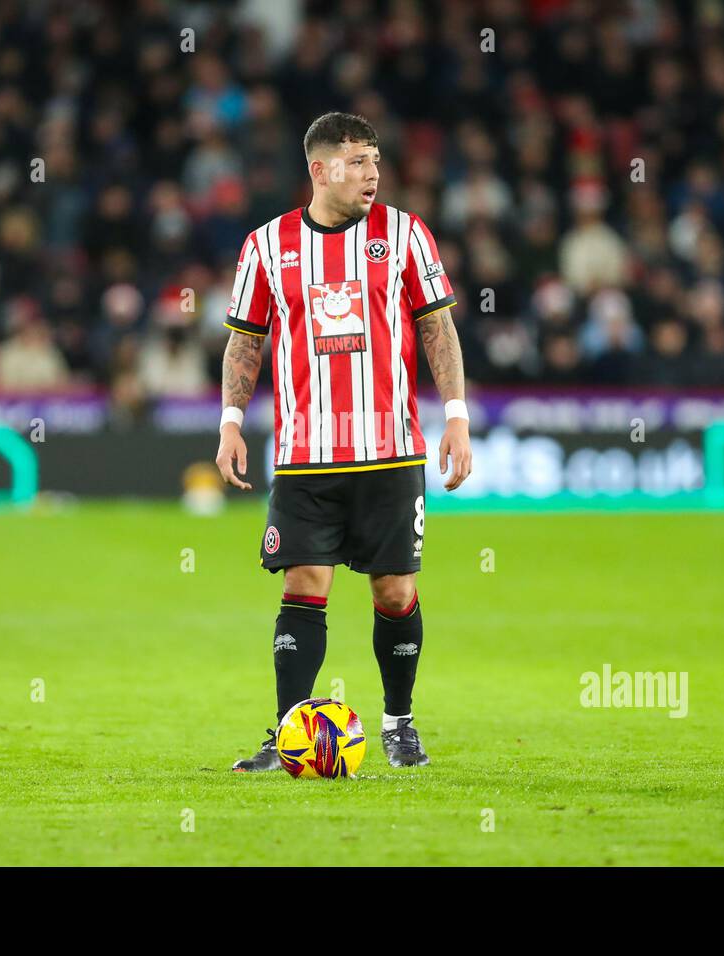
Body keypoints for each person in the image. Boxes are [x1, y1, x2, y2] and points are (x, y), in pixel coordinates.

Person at [214, 112, 472, 771]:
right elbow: (246, 340)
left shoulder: (406, 235)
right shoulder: (267, 247)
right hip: (305, 453)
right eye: (358, 161)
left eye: (377, 161)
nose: (373, 173)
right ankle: (287, 735)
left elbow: (438, 329)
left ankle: (399, 722)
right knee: (303, 581)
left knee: (394, 593)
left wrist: (459, 415)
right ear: (320, 168)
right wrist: (230, 423)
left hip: (391, 451)